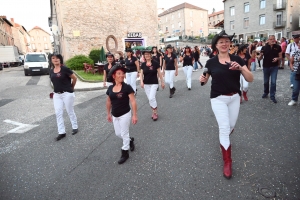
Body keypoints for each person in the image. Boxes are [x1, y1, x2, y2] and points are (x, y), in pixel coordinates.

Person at [199, 30, 253, 179]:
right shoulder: (210, 62)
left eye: (227, 41)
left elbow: (250, 78)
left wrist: (241, 68)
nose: (224, 44)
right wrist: (202, 80)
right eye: (221, 41)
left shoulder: (237, 59)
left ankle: (225, 140)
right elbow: (204, 78)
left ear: (230, 44)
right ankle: (227, 162)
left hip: (235, 97)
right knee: (224, 128)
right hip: (218, 98)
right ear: (216, 45)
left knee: (230, 127)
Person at [106, 64, 138, 164]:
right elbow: (108, 101)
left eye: (123, 73)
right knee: (118, 133)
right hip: (115, 114)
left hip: (125, 114)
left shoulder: (127, 87)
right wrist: (108, 113)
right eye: (119, 73)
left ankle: (125, 153)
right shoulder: (110, 88)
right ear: (114, 76)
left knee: (124, 133)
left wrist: (134, 115)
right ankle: (130, 140)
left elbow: (133, 101)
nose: (121, 75)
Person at [50, 53, 78, 141]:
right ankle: (61, 132)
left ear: (60, 59)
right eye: (53, 58)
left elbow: (74, 78)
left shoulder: (65, 69)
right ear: (51, 60)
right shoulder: (51, 70)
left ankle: (75, 126)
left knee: (70, 111)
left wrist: (71, 87)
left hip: (67, 94)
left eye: (57, 58)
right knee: (58, 113)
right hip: (57, 95)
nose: (55, 59)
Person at [140, 49, 165, 120]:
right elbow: (141, 74)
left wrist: (162, 82)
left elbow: (159, 74)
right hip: (146, 84)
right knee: (150, 99)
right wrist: (141, 82)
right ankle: (153, 112)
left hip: (154, 83)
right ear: (144, 56)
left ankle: (155, 113)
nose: (147, 55)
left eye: (148, 54)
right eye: (145, 54)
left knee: (151, 97)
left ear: (151, 55)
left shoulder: (155, 63)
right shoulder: (143, 64)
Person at [258, 35, 282, 103]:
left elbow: (280, 57)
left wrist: (277, 58)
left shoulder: (278, 47)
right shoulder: (264, 47)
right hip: (266, 67)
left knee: (273, 82)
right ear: (268, 40)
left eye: (273, 39)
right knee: (266, 82)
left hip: (274, 67)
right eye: (270, 39)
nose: (272, 40)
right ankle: (266, 92)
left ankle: (272, 96)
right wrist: (261, 55)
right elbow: (259, 58)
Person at [288, 41, 300, 106]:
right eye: (299, 44)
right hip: (296, 72)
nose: (299, 45)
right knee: (295, 88)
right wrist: (292, 68)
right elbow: (291, 62)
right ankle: (294, 100)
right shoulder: (295, 53)